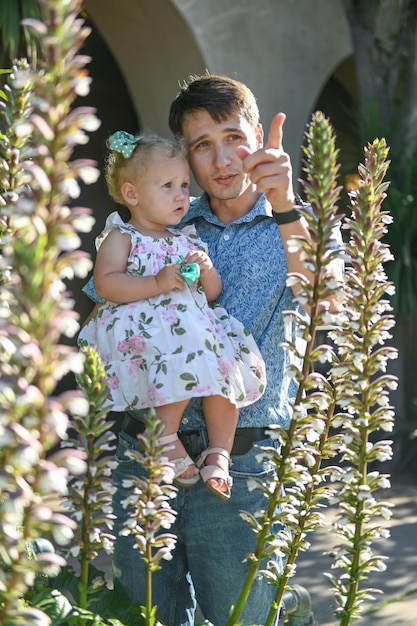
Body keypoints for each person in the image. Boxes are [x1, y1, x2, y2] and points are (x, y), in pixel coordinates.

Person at [82, 74, 342, 625]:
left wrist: (288, 207)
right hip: (144, 454)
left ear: (258, 136)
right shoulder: (161, 217)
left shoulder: (297, 223)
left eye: (233, 137)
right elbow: (105, 308)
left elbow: (336, 300)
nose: (222, 159)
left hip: (240, 465)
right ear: (187, 157)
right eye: (202, 146)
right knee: (142, 617)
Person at [78, 130, 266, 500]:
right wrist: (157, 282)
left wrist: (207, 269)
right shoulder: (123, 236)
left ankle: (220, 454)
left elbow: (211, 293)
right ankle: (164, 437)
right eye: (168, 186)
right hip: (147, 328)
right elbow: (106, 285)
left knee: (226, 374)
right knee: (184, 358)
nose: (182, 194)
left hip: (195, 330)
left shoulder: (187, 239)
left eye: (183, 184)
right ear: (132, 193)